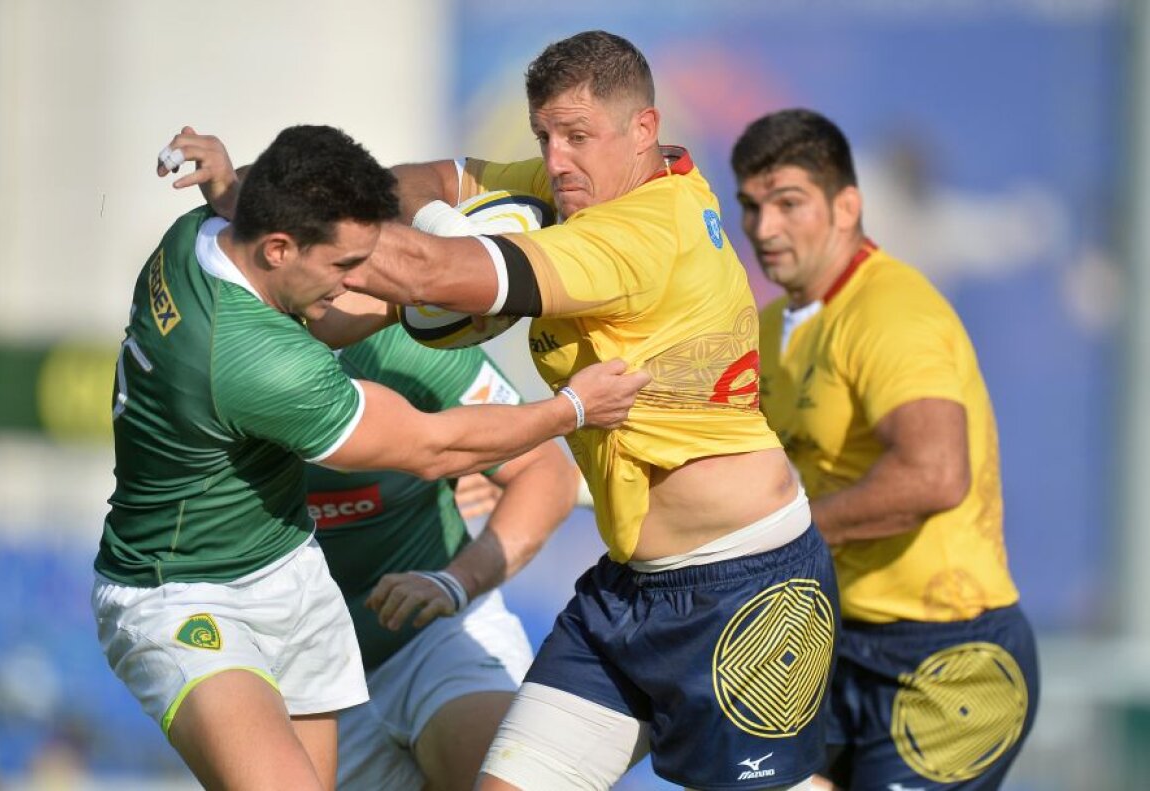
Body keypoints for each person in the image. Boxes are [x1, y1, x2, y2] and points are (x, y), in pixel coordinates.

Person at [179, 30, 841, 791]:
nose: (556, 159)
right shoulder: (592, 184)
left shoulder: (637, 235)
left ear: (644, 130)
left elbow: (436, 270)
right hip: (630, 591)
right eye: (544, 135)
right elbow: (443, 177)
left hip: (743, 584)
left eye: (577, 136)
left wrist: (266, 215)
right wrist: (282, 191)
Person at [93, 124, 647, 791]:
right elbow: (433, 446)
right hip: (188, 591)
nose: (361, 281)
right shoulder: (262, 363)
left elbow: (282, 254)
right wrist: (572, 409)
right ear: (279, 248)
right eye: (345, 267)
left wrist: (455, 578)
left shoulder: (201, 234)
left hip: (301, 585)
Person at [730, 108, 1039, 791]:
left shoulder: (893, 311)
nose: (764, 228)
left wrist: (782, 536)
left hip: (950, 658)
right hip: (835, 646)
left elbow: (933, 476)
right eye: (751, 206)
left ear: (848, 205)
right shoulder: (772, 325)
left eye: (788, 204)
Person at [311, 323, 578, 791]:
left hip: (432, 636)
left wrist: (455, 582)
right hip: (293, 663)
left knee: (509, 777)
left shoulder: (400, 346)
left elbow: (544, 469)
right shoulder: (207, 356)